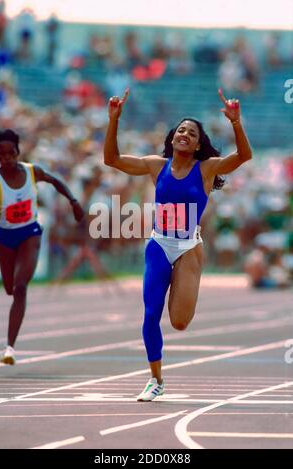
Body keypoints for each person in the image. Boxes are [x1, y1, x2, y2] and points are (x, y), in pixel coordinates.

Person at [104, 88, 252, 401]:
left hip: (187, 247)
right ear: (173, 138)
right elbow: (112, 159)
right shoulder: (156, 165)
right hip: (159, 244)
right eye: (181, 130)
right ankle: (155, 379)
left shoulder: (207, 168)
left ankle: (179, 284)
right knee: (149, 314)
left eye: (192, 132)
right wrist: (114, 120)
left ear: (199, 144)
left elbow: (243, 157)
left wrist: (236, 123)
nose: (185, 133)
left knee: (180, 322)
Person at [0, 129, 84, 365]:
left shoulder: (33, 172)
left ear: (18, 152)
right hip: (5, 237)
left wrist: (73, 201)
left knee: (20, 287)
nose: (7, 158)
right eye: (2, 154)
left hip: (30, 233)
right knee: (10, 289)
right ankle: (10, 341)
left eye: (11, 153)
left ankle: (10, 348)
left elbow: (56, 181)